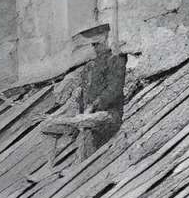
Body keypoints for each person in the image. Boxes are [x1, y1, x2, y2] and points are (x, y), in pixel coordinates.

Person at [39, 21, 129, 167]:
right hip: (85, 115)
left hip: (109, 115)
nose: (96, 49)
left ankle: (80, 167)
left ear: (107, 40)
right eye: (94, 45)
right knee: (46, 126)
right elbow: (78, 98)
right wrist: (57, 115)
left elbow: (114, 90)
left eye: (97, 44)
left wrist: (93, 106)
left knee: (83, 122)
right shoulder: (90, 67)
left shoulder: (117, 60)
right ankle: (49, 167)